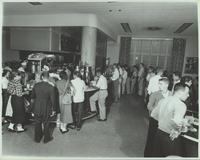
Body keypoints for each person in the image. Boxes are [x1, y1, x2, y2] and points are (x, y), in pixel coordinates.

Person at [151, 83, 189, 157]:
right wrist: (185, 126)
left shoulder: (163, 100)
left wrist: (164, 121)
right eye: (187, 93)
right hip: (170, 136)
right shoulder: (181, 105)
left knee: (157, 156)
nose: (188, 95)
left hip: (158, 133)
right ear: (180, 93)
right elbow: (177, 123)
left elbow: (153, 114)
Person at [144, 77, 171, 157]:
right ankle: (148, 155)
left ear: (167, 85)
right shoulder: (155, 94)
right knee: (152, 137)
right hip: (155, 120)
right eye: (158, 84)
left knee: (163, 139)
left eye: (161, 84)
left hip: (166, 122)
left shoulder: (171, 94)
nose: (159, 86)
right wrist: (159, 112)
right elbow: (149, 106)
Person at [31, 71, 56, 143]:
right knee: (46, 123)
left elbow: (32, 96)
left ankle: (37, 138)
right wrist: (54, 110)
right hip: (46, 108)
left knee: (37, 123)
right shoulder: (51, 87)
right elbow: (53, 100)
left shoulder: (36, 85)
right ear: (48, 78)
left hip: (37, 107)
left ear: (42, 77)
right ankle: (46, 139)